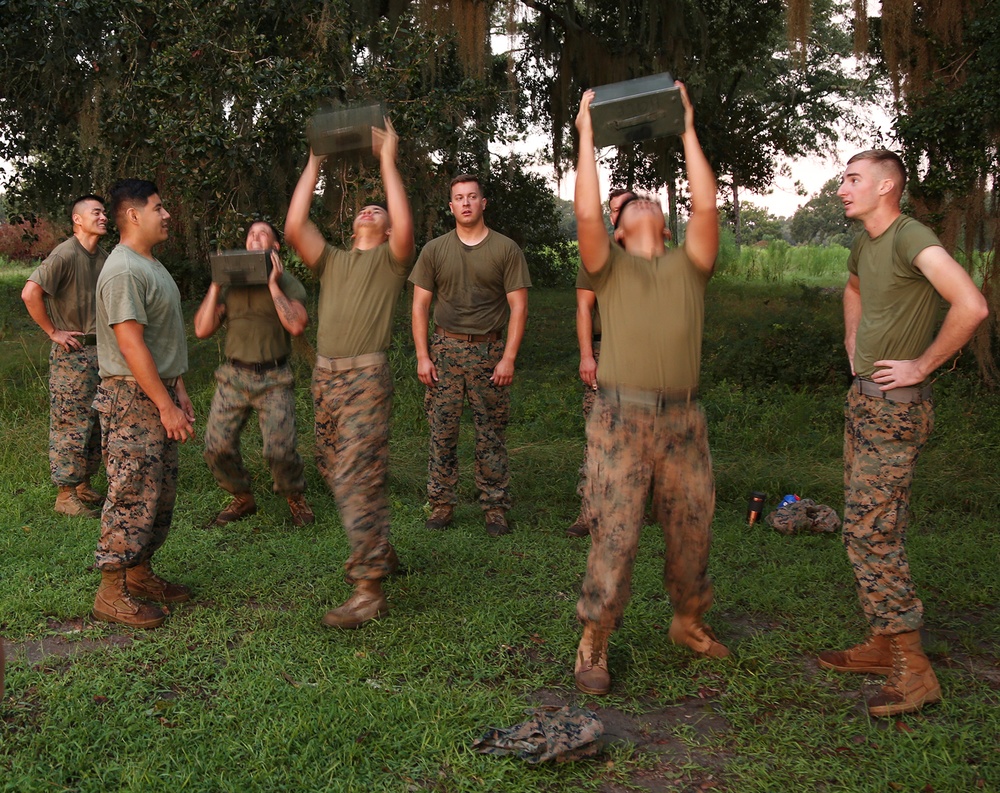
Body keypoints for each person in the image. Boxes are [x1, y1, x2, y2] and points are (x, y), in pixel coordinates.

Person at [816, 150, 987, 717]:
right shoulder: (866, 241)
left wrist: (921, 365)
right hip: (865, 403)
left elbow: (972, 304)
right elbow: (855, 289)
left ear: (887, 185)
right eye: (844, 178)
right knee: (867, 525)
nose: (843, 188)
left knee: (872, 533)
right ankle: (883, 645)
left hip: (895, 411)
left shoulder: (913, 236)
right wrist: (852, 343)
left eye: (853, 178)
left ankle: (914, 672)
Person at [571, 83, 729, 696]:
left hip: (684, 421)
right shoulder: (608, 269)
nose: (637, 202)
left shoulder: (690, 264)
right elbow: (586, 212)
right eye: (625, 204)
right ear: (615, 232)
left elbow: (707, 204)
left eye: (647, 199)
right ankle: (594, 640)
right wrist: (586, 133)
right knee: (616, 532)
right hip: (620, 419)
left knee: (694, 529)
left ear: (665, 222)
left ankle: (688, 620)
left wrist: (685, 125)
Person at [284, 117, 415, 629]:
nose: (370, 209)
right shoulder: (332, 261)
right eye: (364, 206)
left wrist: (387, 158)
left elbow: (405, 228)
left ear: (384, 229)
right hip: (325, 379)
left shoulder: (392, 260)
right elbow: (295, 228)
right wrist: (315, 158)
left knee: (355, 475)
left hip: (364, 379)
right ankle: (379, 546)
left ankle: (367, 588)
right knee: (335, 468)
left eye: (378, 209)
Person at [92, 179, 195, 629]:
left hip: (156, 391)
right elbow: (130, 344)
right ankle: (110, 593)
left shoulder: (150, 265)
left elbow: (161, 338)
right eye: (158, 207)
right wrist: (163, 404)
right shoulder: (123, 270)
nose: (167, 214)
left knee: (159, 492)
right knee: (131, 493)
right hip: (132, 398)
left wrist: (179, 392)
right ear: (134, 215)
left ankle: (139, 574)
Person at [409, 175, 531, 537]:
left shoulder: (506, 249)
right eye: (459, 198)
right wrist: (422, 356)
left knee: (490, 433)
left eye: (472, 197)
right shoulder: (434, 249)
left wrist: (508, 357)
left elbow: (519, 307)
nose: (465, 203)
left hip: (489, 351)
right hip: (444, 351)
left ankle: (494, 507)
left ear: (483, 203)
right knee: (441, 432)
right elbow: (419, 306)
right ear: (451, 207)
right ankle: (442, 504)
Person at [193, 220, 314, 527]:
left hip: (274, 378)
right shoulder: (230, 285)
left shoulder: (288, 283)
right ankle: (242, 497)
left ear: (275, 247)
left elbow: (296, 325)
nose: (255, 238)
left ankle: (294, 496)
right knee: (215, 447)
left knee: (280, 450)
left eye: (263, 234)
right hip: (233, 377)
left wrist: (273, 284)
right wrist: (217, 283)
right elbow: (202, 329)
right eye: (250, 234)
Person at [21, 195, 109, 518]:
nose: (103, 217)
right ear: (77, 219)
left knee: (96, 421)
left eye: (103, 213)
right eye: (96, 213)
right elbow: (30, 292)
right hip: (71, 354)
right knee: (70, 423)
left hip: (100, 351)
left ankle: (83, 483)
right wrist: (53, 332)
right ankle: (65, 494)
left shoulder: (103, 257)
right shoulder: (65, 254)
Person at [567, 189, 636, 538]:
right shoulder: (598, 254)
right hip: (605, 349)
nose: (616, 215)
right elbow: (584, 309)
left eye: (623, 208)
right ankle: (589, 512)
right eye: (612, 211)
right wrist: (586, 355)